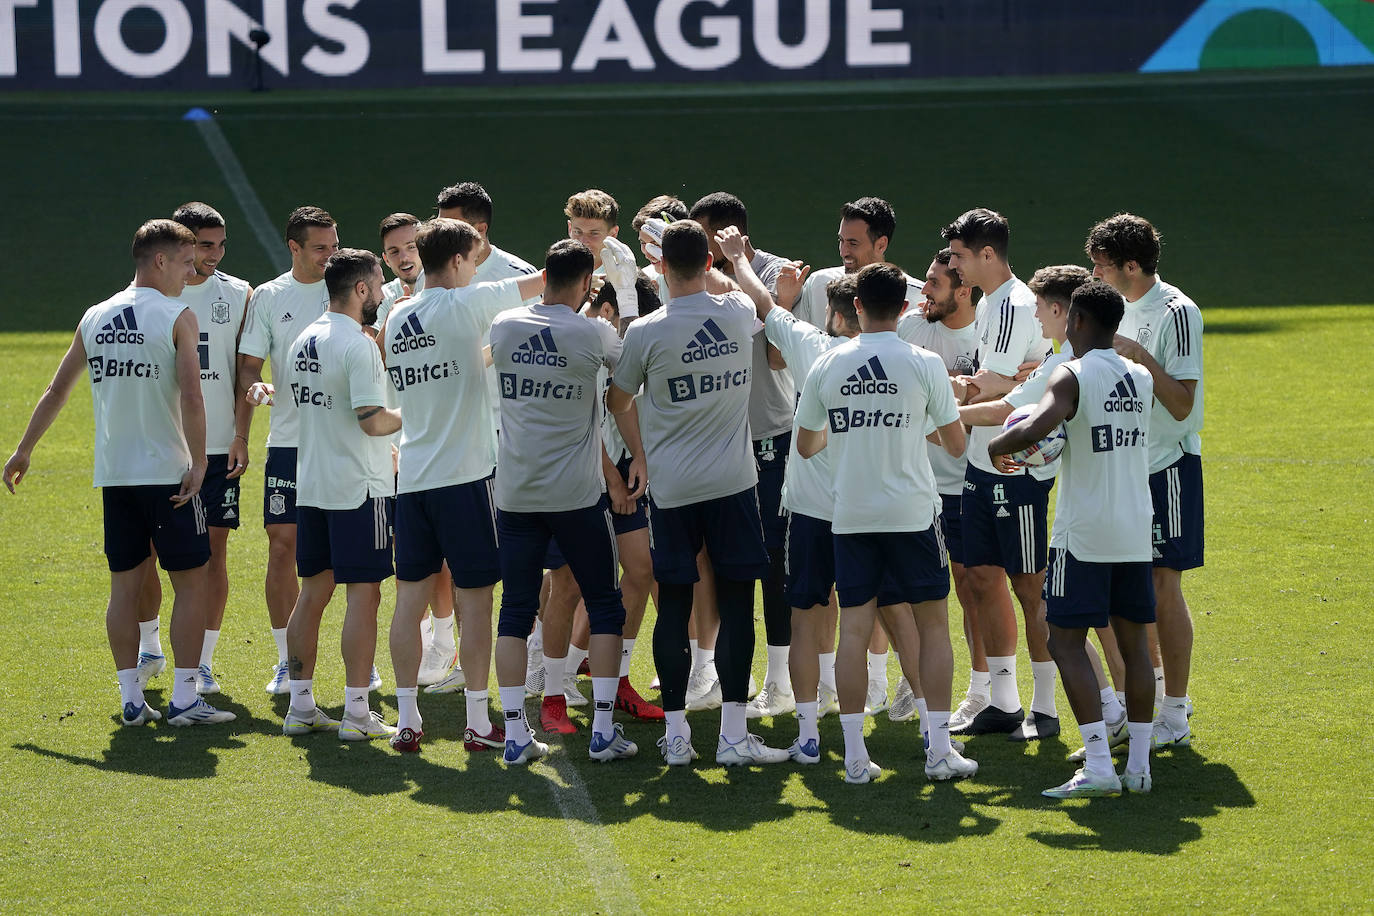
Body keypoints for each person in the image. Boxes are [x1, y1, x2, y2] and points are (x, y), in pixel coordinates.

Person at [4, 219, 234, 727]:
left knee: (124, 587)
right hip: (170, 474)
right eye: (186, 263)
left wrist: (23, 450)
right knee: (192, 582)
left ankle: (132, 700)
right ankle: (183, 698)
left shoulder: (96, 315)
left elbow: (56, 390)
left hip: (116, 475)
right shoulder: (179, 315)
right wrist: (199, 463)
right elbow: (193, 397)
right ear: (160, 260)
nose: (190, 273)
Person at [607, 220, 785, 767]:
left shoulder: (646, 332)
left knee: (674, 607)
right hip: (734, 486)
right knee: (735, 606)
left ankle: (678, 737)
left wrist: (639, 453)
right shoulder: (733, 314)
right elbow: (759, 302)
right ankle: (733, 735)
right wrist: (735, 260)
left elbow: (617, 401)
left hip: (674, 490)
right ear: (707, 263)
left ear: (660, 269)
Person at [794, 262, 976, 783]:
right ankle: (939, 751)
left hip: (851, 516)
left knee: (853, 629)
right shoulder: (924, 364)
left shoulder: (828, 366)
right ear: (904, 308)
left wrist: (851, 433)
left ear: (855, 307)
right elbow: (957, 445)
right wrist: (911, 425)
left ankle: (855, 758)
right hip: (913, 515)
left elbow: (806, 446)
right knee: (934, 628)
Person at [988, 279, 1157, 797]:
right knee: (1134, 646)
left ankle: (1101, 767)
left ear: (1078, 321)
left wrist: (999, 444)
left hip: (1083, 533)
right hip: (1134, 529)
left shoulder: (1073, 372)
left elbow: (1041, 422)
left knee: (1063, 638)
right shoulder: (1140, 377)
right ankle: (1141, 768)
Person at [383, 217, 546, 752]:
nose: (476, 268)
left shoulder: (397, 314)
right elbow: (544, 281)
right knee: (477, 602)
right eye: (473, 259)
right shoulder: (468, 302)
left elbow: (440, 371)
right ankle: (478, 720)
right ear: (457, 261)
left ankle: (408, 718)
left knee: (408, 604)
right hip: (465, 481)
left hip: (412, 480)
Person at [491, 238, 642, 765]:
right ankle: (602, 730)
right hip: (576, 496)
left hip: (514, 493)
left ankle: (513, 733)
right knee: (604, 604)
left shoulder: (505, 326)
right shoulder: (593, 332)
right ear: (584, 284)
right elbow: (630, 380)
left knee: (514, 610)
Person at [790, 197, 924, 712]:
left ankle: (896, 689)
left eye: (854, 243)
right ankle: (872, 690)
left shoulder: (911, 300)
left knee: (884, 604)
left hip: (882, 478)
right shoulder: (824, 284)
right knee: (868, 603)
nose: (843, 252)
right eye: (841, 241)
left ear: (881, 244)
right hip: (860, 487)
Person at [1086, 213, 1204, 748]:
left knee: (1162, 585)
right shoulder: (1110, 307)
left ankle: (1175, 715)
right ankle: (1148, 708)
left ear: (1132, 266)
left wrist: (1141, 360)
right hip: (1119, 468)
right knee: (1122, 592)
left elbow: (1181, 406)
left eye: (1103, 265)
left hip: (1165, 466)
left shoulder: (1176, 313)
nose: (1096, 273)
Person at [274, 249, 401, 741]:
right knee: (363, 596)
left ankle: (301, 706)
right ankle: (355, 712)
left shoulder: (304, 337)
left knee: (312, 593)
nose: (385, 291)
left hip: (314, 487)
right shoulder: (359, 345)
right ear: (361, 289)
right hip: (359, 489)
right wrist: (418, 414)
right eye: (379, 283)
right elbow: (372, 421)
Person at [941, 207, 1055, 737]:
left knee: (1031, 588)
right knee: (982, 578)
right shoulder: (991, 303)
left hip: (1015, 470)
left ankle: (1048, 708)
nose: (953, 264)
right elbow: (999, 382)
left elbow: (995, 385)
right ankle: (1004, 703)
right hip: (981, 462)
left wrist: (935, 391)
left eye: (960, 255)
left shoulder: (1014, 304)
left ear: (988, 254)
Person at [689, 192, 797, 719]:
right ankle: (710, 671)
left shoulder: (776, 271)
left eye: (704, 235)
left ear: (728, 234)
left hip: (770, 434)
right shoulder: (695, 272)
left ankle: (780, 682)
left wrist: (737, 267)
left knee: (774, 561)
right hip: (719, 439)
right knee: (716, 562)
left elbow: (777, 348)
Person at [238, 206, 340, 695]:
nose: (329, 255)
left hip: (345, 442)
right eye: (320, 247)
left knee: (350, 554)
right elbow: (249, 367)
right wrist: (255, 388)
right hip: (289, 442)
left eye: (333, 246)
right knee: (282, 545)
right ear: (294, 248)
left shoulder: (351, 286)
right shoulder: (269, 297)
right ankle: (287, 659)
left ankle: (356, 657)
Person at [163, 202, 254, 696]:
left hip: (219, 448)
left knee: (215, 553)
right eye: (204, 245)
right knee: (157, 553)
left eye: (220, 244)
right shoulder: (152, 296)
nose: (214, 254)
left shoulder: (239, 294)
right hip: (165, 446)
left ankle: (202, 663)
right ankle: (152, 645)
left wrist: (241, 434)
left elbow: (246, 371)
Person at [889, 248, 982, 725]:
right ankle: (916, 675)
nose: (923, 290)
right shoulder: (910, 327)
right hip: (921, 483)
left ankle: (981, 686)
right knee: (914, 587)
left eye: (935, 283)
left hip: (969, 480)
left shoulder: (989, 331)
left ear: (963, 291)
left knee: (972, 586)